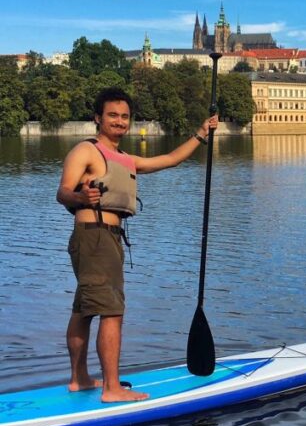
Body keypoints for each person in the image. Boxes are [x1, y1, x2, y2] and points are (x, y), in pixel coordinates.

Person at [56, 87, 218, 403]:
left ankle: (80, 379)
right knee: (111, 311)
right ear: (97, 118)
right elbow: (62, 192)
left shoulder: (125, 158)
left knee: (84, 310)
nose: (119, 121)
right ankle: (112, 389)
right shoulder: (86, 151)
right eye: (112, 115)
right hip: (95, 237)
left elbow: (170, 159)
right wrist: (80, 197)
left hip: (106, 239)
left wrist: (201, 133)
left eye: (125, 116)